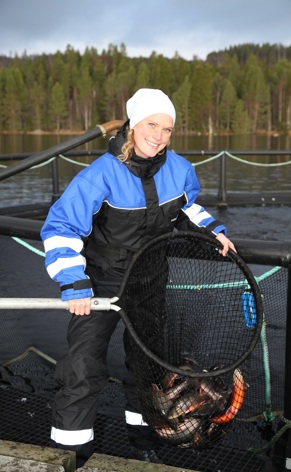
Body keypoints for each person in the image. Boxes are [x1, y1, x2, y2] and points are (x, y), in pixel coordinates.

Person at [40, 88, 235, 465]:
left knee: (148, 366)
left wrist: (213, 231)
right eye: (151, 125)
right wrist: (74, 282)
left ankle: (143, 439)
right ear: (132, 125)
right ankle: (71, 452)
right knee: (82, 368)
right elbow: (62, 228)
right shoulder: (99, 175)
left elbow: (187, 209)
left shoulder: (180, 169)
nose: (159, 136)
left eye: (167, 128)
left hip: (150, 279)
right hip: (101, 283)